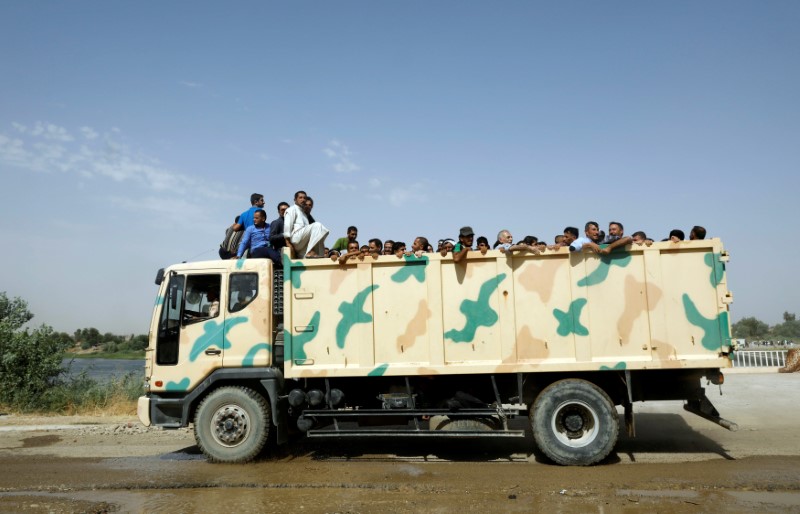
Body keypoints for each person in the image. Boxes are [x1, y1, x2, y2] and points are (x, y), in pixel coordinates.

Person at [284, 190, 330, 258]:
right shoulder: (292, 209)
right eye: (300, 197)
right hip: (296, 239)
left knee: (323, 232)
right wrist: (288, 243)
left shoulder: (303, 214)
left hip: (303, 241)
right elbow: (287, 226)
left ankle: (319, 256)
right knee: (317, 225)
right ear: (295, 199)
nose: (303, 200)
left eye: (304, 198)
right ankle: (310, 251)